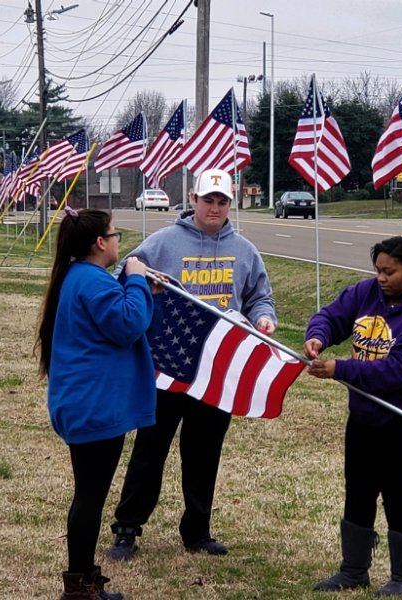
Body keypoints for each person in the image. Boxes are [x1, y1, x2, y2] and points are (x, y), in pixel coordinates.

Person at [107, 168, 277, 560]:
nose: (214, 208)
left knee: (204, 452)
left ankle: (197, 529)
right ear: (194, 200)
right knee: (151, 449)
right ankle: (127, 528)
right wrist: (141, 282)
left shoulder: (245, 251)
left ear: (230, 204)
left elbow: (260, 297)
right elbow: (124, 276)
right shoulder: (163, 242)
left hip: (217, 370)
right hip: (167, 366)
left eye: (222, 201)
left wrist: (265, 318)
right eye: (208, 200)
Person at [303, 236, 402, 598]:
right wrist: (318, 337)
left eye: (390, 271)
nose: (381, 278)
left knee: (398, 489)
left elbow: (398, 372)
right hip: (365, 407)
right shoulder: (366, 293)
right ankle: (353, 570)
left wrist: (341, 369)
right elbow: (332, 317)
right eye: (378, 270)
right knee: (359, 485)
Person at [36, 207, 157, 600]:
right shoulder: (93, 281)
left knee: (88, 495)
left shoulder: (80, 277)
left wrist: (136, 287)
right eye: (115, 234)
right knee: (90, 499)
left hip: (84, 405)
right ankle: (80, 586)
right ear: (100, 243)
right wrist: (136, 280)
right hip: (95, 409)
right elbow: (127, 324)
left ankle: (83, 578)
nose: (119, 241)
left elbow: (117, 314)